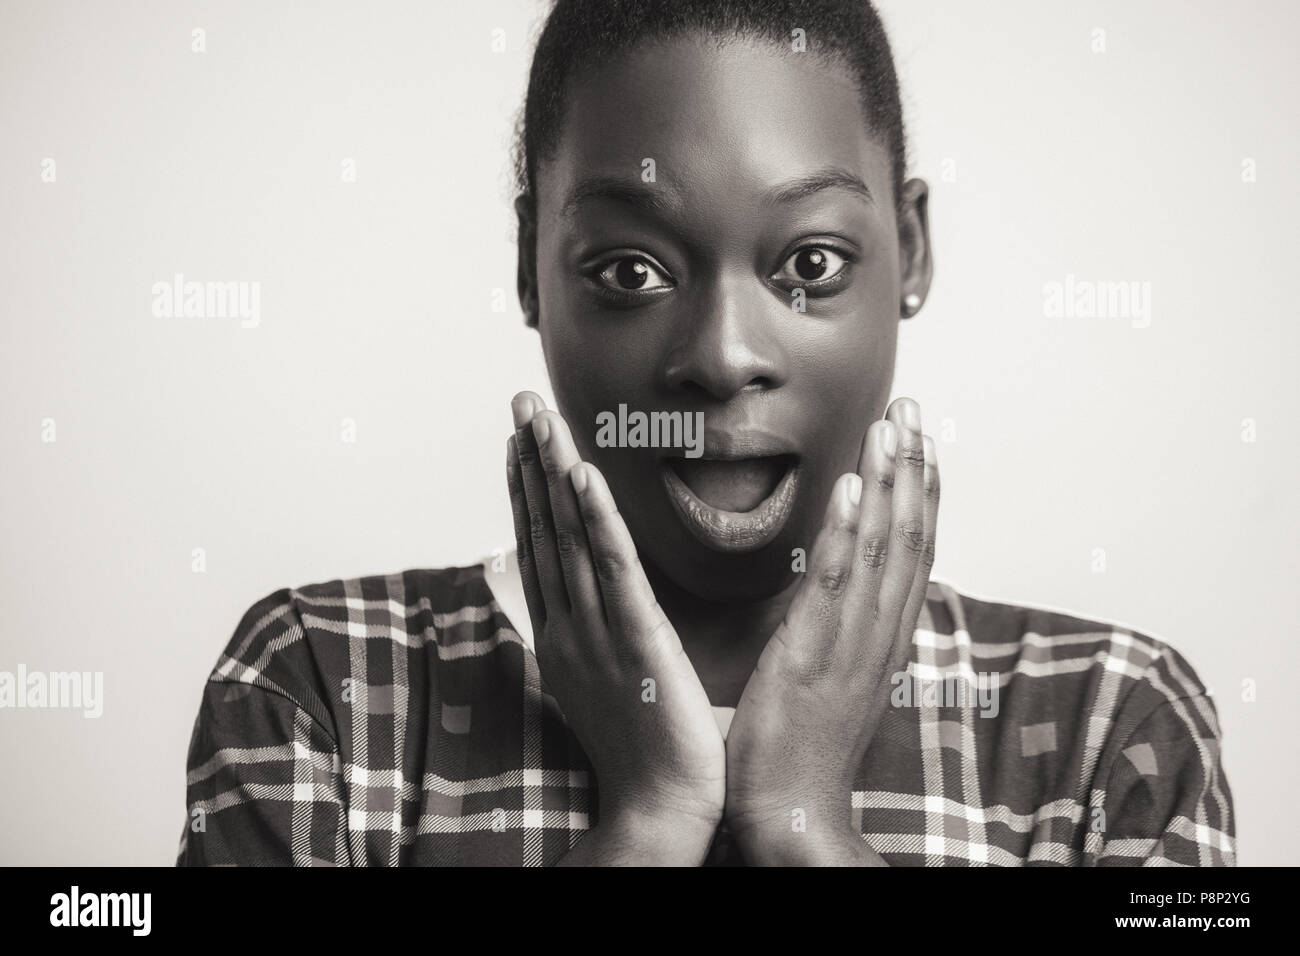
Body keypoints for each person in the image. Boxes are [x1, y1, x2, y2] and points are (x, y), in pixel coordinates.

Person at [176, 0, 1234, 866]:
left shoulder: (1111, 729)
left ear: (907, 249)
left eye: (809, 265)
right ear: (528, 265)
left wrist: (804, 825)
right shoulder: (320, 687)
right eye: (631, 271)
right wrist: (647, 821)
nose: (723, 357)